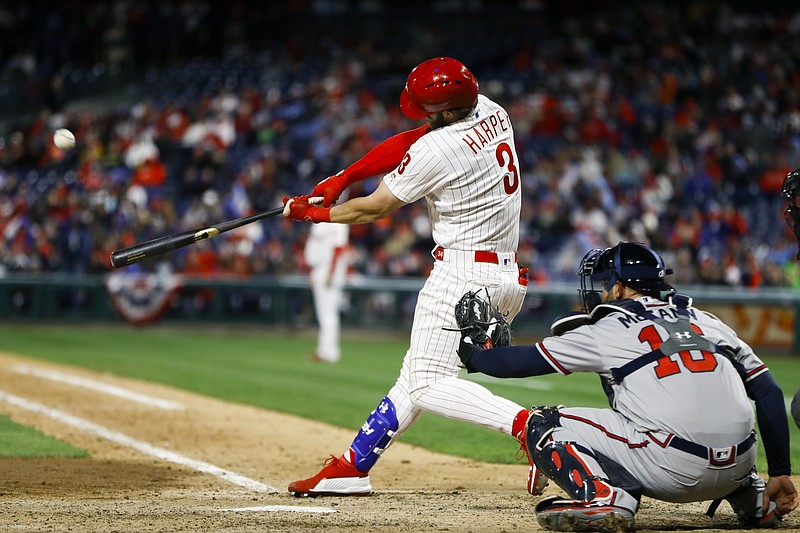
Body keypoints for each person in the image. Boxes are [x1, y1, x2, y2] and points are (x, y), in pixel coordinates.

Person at [282, 57, 533, 496]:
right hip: (503, 275)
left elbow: (374, 208)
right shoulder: (492, 110)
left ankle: (535, 429)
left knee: (428, 382)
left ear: (447, 109)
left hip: (462, 274)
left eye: (428, 108)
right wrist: (346, 176)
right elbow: (412, 142)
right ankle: (352, 467)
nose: (422, 115)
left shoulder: (440, 149)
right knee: (415, 375)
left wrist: (314, 214)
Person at [456, 241, 798, 531]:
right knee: (716, 414)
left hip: (672, 470)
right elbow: (768, 393)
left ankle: (605, 497)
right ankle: (755, 499)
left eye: (605, 283)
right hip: (739, 465)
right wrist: (780, 471)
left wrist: (474, 353)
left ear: (619, 288)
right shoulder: (707, 321)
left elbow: (517, 364)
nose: (602, 291)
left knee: (541, 422)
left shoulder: (609, 328)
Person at [304, 222, 350, 363]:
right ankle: (325, 350)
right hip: (319, 268)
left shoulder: (338, 220)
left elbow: (339, 248)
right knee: (324, 314)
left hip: (329, 269)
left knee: (328, 314)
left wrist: (331, 273)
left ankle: (329, 352)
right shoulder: (319, 217)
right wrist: (312, 272)